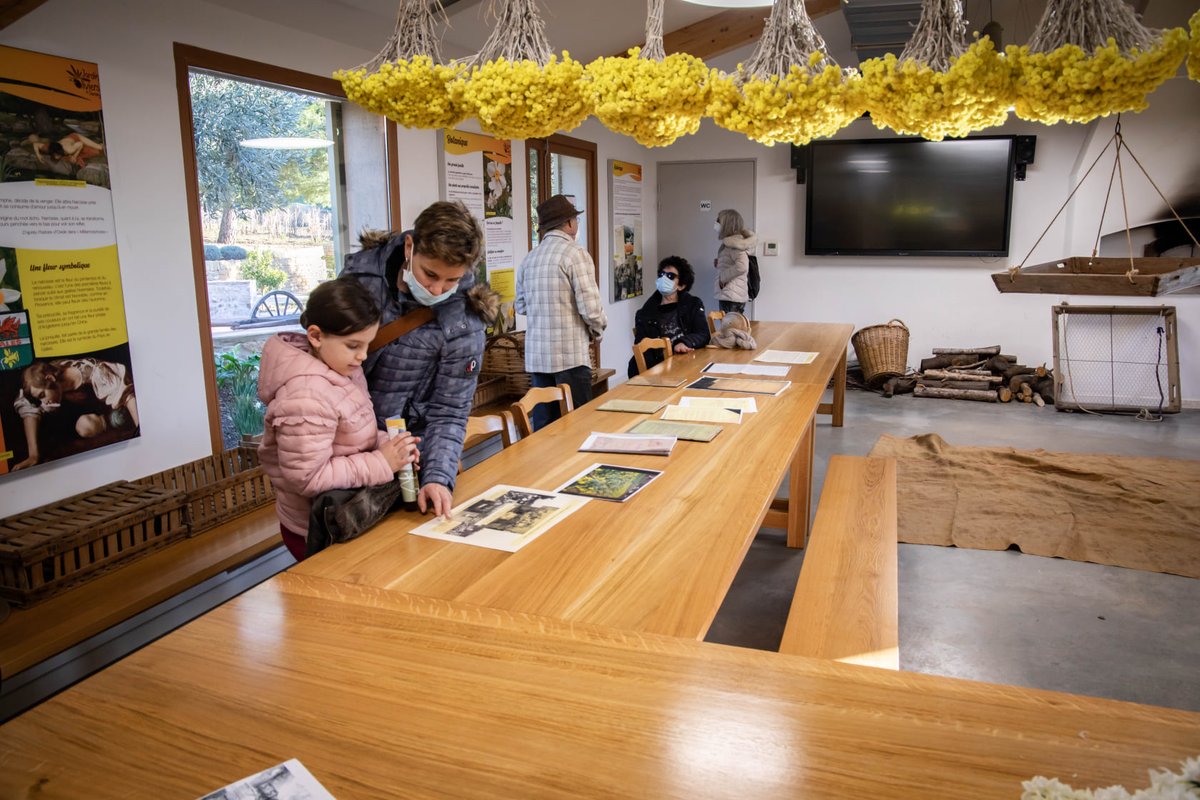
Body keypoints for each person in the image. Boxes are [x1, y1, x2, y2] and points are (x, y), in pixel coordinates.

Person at [341, 200, 499, 519]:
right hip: (346, 446)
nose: (437, 288)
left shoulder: (465, 314)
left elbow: (450, 409)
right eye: (430, 273)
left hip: (412, 452)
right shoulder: (360, 277)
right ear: (410, 246)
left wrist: (438, 477)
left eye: (451, 280)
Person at [256, 277, 420, 561]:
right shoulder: (305, 396)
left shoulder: (339, 368)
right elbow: (309, 477)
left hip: (349, 512)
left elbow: (351, 436)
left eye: (367, 344)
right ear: (316, 336)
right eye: (353, 345)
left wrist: (394, 447)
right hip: (319, 528)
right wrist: (383, 462)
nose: (363, 356)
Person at [514, 194, 607, 430]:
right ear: (568, 223)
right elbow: (591, 308)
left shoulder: (529, 259)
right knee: (577, 426)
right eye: (575, 219)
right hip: (570, 356)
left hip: (538, 359)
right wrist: (597, 331)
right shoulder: (575, 254)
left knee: (545, 430)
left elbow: (522, 306)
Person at [11, 356, 139, 470]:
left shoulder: (96, 372)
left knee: (91, 425)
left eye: (42, 395)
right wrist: (33, 455)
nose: (44, 401)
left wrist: (140, 429)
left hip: (119, 410)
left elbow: (128, 396)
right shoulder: (48, 374)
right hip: (97, 415)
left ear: (50, 378)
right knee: (84, 426)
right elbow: (27, 406)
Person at [627, 255, 710, 378]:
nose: (664, 278)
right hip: (660, 371)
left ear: (681, 285)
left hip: (689, 364)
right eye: (661, 275)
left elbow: (703, 334)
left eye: (670, 276)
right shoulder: (644, 313)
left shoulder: (693, 304)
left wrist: (683, 342)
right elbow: (642, 348)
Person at [713, 208, 757, 315]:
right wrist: (720, 263)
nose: (716, 223)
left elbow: (742, 266)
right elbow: (733, 262)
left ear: (727, 224)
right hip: (731, 294)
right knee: (730, 327)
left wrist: (723, 277)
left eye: (718, 221)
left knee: (730, 329)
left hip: (731, 296)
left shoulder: (735, 244)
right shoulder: (732, 243)